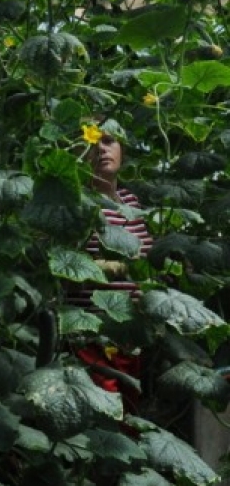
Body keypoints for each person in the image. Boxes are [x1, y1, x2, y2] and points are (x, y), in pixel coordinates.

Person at [69, 125, 154, 411]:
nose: (101, 149)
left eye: (108, 142)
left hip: (130, 336)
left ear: (123, 150)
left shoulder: (131, 202)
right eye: (92, 143)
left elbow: (148, 258)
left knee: (127, 419)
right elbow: (65, 265)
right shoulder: (76, 202)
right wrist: (124, 267)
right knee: (102, 417)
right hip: (90, 332)